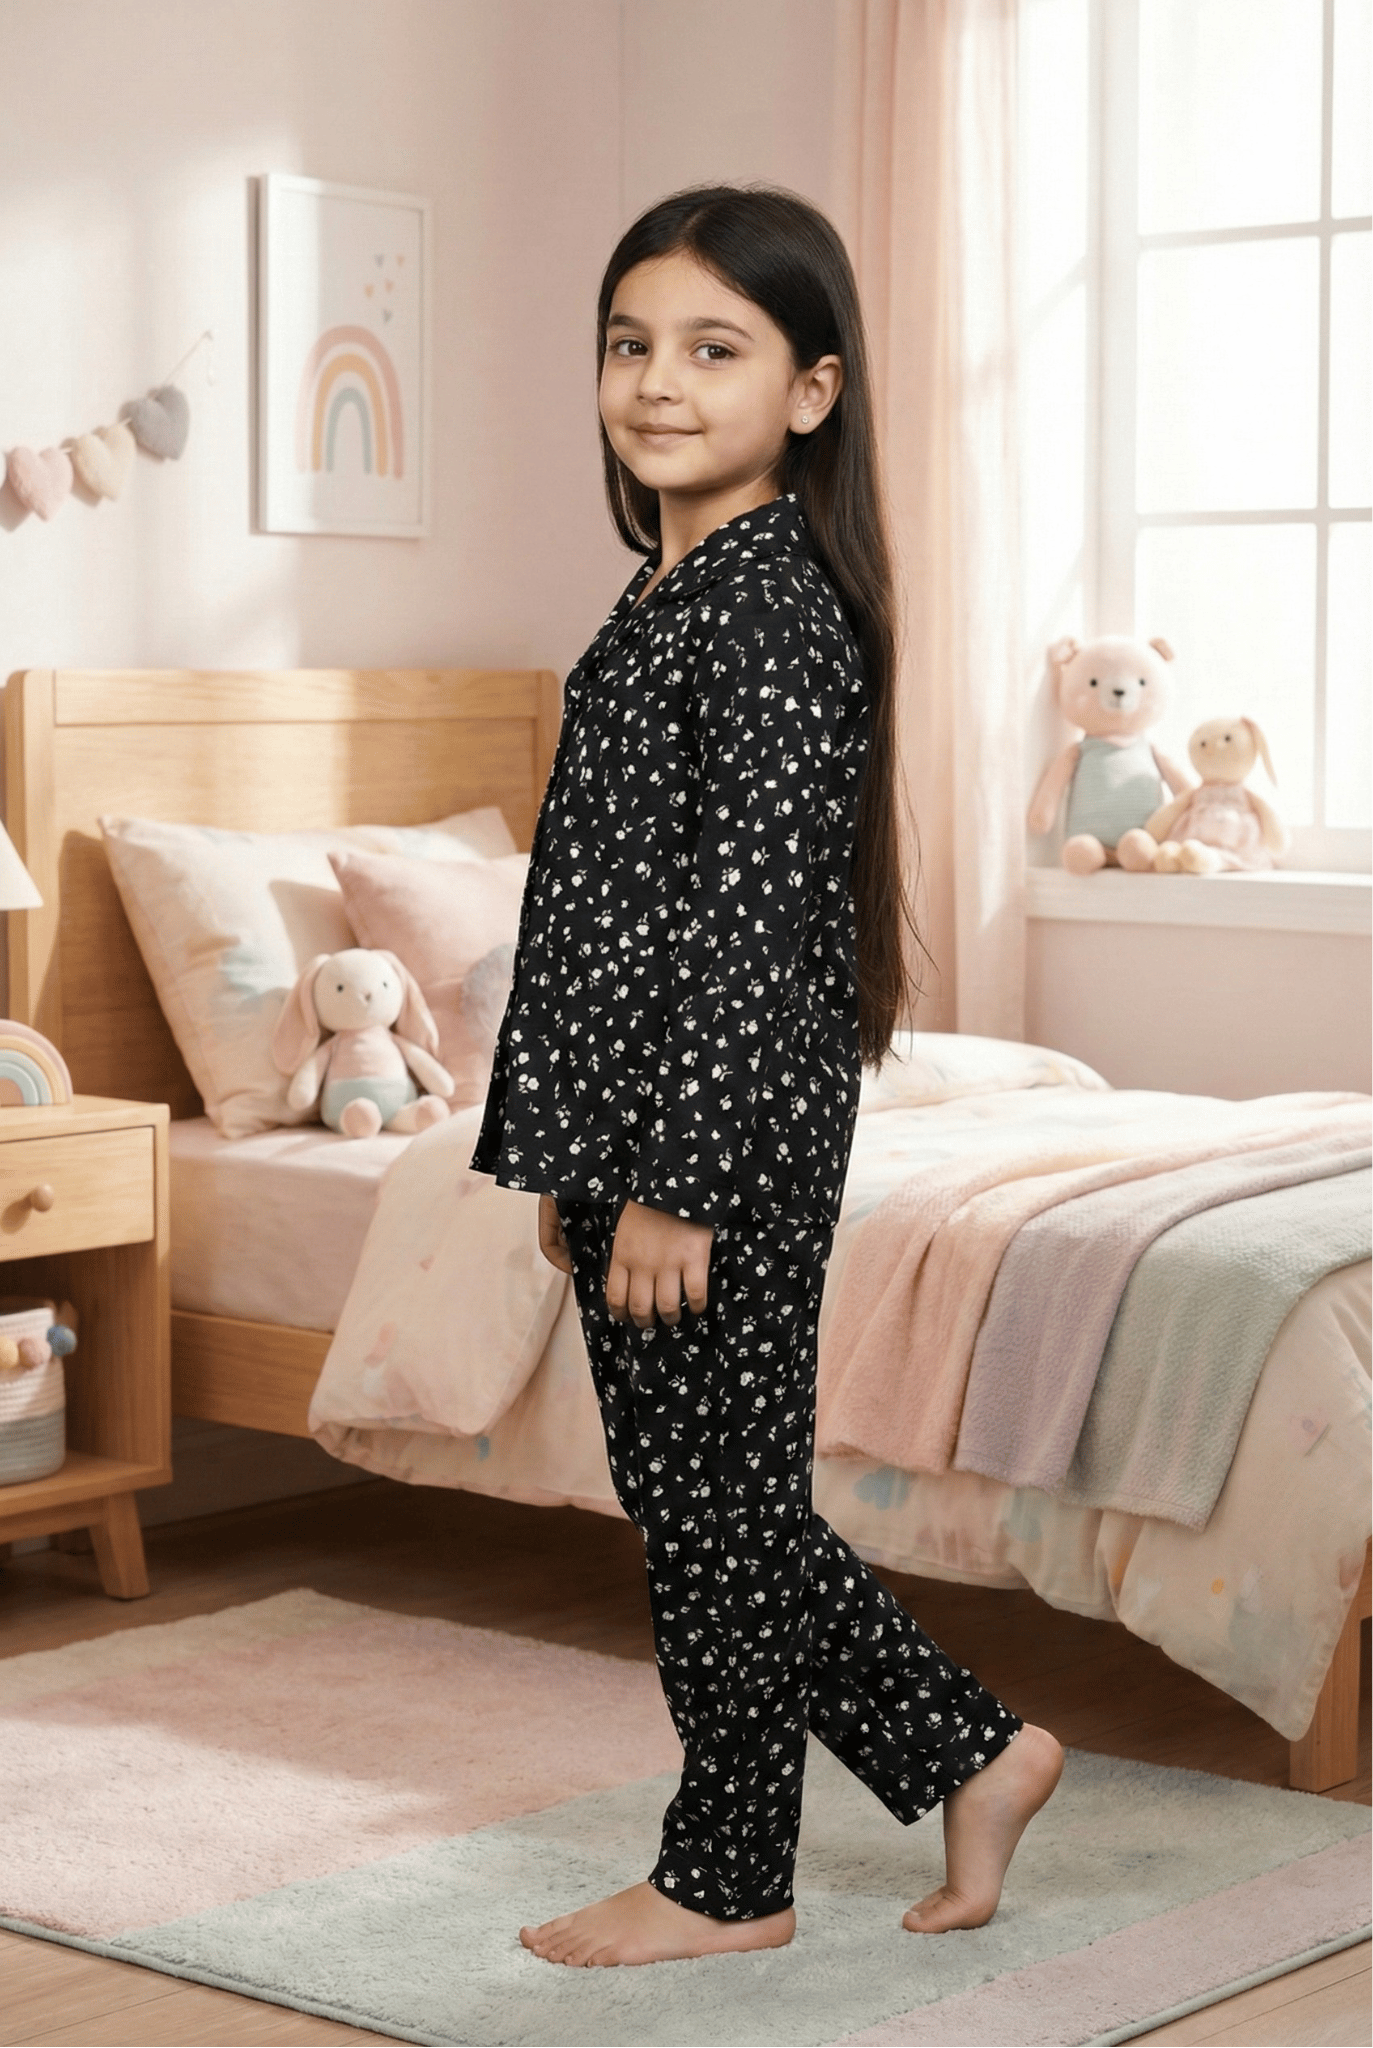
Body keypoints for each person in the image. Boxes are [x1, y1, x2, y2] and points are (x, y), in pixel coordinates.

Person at [471, 183, 1062, 1970]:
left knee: (716, 1514)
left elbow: (747, 933)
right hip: (639, 1137)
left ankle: (732, 1877)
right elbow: (613, 911)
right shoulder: (669, 592)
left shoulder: (766, 609)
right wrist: (580, 1164)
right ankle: (973, 1754)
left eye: (712, 349)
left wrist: (676, 1184)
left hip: (711, 1144)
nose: (658, 381)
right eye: (629, 345)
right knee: (708, 1507)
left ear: (810, 392)